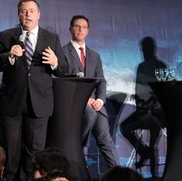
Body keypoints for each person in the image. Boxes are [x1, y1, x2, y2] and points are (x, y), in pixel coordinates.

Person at [0, 0, 68, 180]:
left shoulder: (52, 38)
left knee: (35, 152)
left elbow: (63, 69)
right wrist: (8, 56)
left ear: (38, 15)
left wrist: (55, 62)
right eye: (24, 11)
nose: (28, 15)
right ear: (18, 15)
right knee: (11, 150)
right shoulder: (6, 36)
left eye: (31, 11)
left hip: (39, 103)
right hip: (12, 102)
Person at [62, 15, 119, 168]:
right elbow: (64, 81)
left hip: (95, 105)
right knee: (79, 135)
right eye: (77, 26)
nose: (80, 30)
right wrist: (85, 99)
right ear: (70, 29)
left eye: (84, 27)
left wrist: (100, 100)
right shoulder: (62, 53)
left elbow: (101, 81)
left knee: (105, 139)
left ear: (88, 31)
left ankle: (120, 174)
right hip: (74, 105)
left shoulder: (95, 55)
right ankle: (78, 158)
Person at [120, 36, 167, 177]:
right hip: (146, 112)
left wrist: (149, 104)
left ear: (150, 50)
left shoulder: (160, 67)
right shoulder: (144, 67)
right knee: (124, 127)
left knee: (133, 129)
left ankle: (146, 154)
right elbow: (139, 91)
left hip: (157, 113)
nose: (144, 52)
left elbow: (165, 92)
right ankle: (144, 152)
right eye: (143, 49)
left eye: (146, 49)